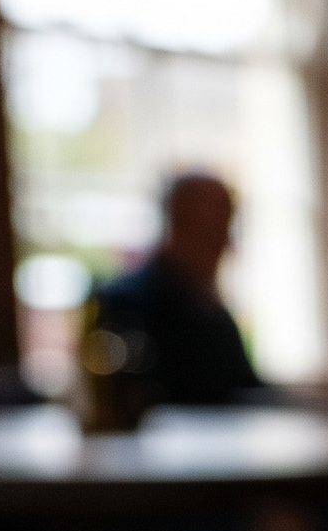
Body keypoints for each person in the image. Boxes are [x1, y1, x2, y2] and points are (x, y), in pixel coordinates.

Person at [91, 173, 261, 405]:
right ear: (179, 222)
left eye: (226, 222)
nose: (225, 240)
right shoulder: (126, 305)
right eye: (212, 224)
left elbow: (243, 389)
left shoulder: (214, 314)